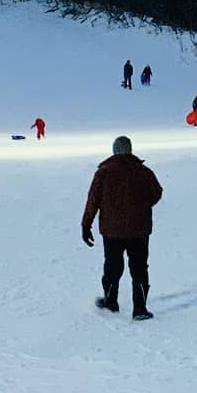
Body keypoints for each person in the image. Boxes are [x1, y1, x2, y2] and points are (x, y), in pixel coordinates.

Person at [82, 134, 163, 321]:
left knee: (112, 266)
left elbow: (92, 201)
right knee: (140, 267)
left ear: (114, 150)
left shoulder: (103, 172)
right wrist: (142, 206)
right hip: (139, 229)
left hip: (112, 231)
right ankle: (140, 309)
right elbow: (157, 193)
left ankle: (111, 301)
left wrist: (86, 224)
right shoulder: (143, 172)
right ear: (130, 149)